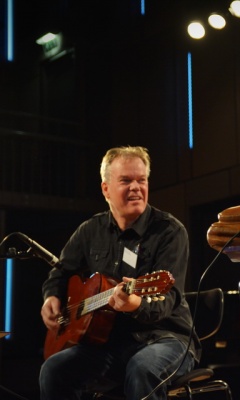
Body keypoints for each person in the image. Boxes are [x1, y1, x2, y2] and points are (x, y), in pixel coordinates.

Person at [39, 146, 199, 400]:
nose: (136, 187)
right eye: (126, 180)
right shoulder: (90, 230)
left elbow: (167, 300)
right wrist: (51, 297)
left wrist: (135, 304)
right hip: (108, 344)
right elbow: (60, 272)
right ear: (106, 189)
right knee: (53, 370)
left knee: (142, 368)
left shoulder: (170, 231)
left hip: (165, 338)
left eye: (141, 180)